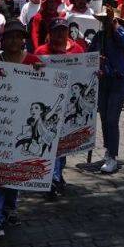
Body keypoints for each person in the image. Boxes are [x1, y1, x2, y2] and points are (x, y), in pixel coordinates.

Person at [0, 20, 44, 239]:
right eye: (10, 36)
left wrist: (42, 72)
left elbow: (46, 91)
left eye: (18, 36)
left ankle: (10, 208)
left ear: (24, 39)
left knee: (15, 170)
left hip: (22, 125)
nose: (14, 40)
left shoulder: (33, 61)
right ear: (4, 39)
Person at [34, 17, 86, 199]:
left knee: (63, 142)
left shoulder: (77, 49)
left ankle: (58, 174)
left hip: (70, 105)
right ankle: (53, 179)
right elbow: (34, 74)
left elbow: (85, 72)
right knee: (53, 143)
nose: (60, 34)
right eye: (56, 30)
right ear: (50, 33)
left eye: (63, 30)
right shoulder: (41, 52)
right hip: (50, 105)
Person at [88, 7, 124, 174]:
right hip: (103, 81)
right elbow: (89, 54)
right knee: (105, 118)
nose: (108, 23)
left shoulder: (120, 33)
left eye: (111, 20)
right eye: (106, 20)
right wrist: (96, 60)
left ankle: (113, 156)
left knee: (112, 119)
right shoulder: (99, 37)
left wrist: (115, 25)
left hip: (118, 81)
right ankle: (109, 149)